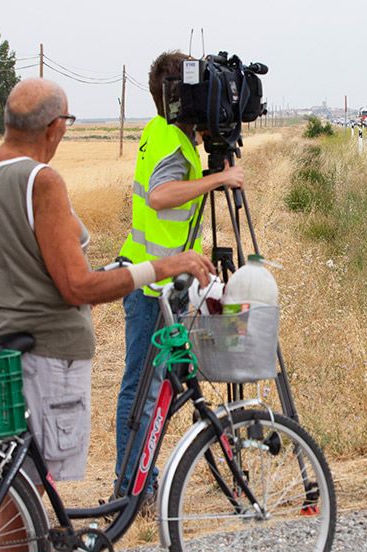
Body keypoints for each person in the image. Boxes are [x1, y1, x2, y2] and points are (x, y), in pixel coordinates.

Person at [0, 78, 214, 552]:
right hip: (37, 348)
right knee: (20, 483)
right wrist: (159, 268)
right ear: (53, 128)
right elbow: (76, 286)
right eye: (67, 124)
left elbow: (9, 239)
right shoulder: (43, 179)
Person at [115, 51, 244, 499]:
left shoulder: (162, 130)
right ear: (181, 97)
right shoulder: (172, 139)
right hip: (152, 285)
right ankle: (133, 488)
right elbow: (160, 196)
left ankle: (139, 481)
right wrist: (217, 181)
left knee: (162, 383)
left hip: (159, 278)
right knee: (143, 389)